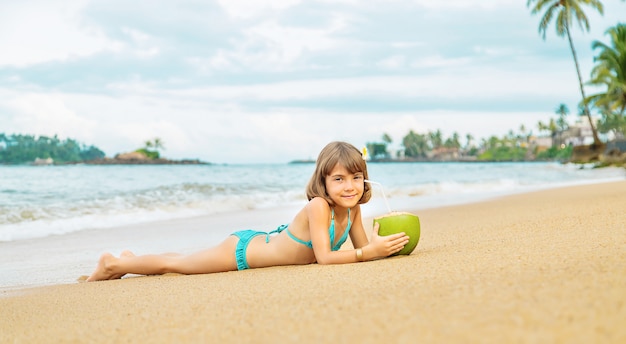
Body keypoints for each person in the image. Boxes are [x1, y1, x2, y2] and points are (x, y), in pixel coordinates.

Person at [86, 141, 410, 282]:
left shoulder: (351, 211)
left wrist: (382, 246)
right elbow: (327, 258)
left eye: (355, 177)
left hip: (262, 244)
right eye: (338, 179)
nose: (349, 187)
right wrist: (369, 253)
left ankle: (128, 259)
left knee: (178, 262)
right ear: (323, 181)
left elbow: (361, 249)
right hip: (242, 252)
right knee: (178, 264)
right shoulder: (319, 206)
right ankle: (113, 262)